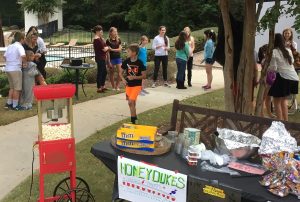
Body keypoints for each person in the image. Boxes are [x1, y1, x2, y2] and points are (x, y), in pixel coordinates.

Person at [268, 33, 299, 121]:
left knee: (276, 101)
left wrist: (267, 69)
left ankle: (280, 123)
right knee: (284, 100)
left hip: (283, 77)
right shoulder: (288, 50)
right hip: (293, 78)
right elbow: (292, 61)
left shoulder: (274, 51)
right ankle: (286, 122)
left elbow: (273, 68)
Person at [119, 44, 146, 124]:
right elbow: (120, 72)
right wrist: (123, 80)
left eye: (128, 51)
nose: (127, 52)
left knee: (130, 102)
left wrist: (134, 77)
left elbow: (144, 76)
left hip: (137, 86)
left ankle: (133, 121)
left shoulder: (140, 63)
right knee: (132, 103)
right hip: (128, 86)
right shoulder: (126, 61)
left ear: (134, 53)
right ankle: (135, 118)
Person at [3, 31, 26, 110]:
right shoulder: (19, 46)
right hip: (15, 69)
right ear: (21, 39)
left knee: (12, 88)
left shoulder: (10, 46)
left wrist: (10, 62)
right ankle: (15, 106)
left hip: (8, 68)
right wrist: (24, 63)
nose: (24, 41)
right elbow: (23, 55)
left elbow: (4, 56)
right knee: (17, 88)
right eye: (24, 39)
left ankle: (9, 103)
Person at [258, 44, 274, 118]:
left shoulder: (271, 58)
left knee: (268, 98)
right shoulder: (265, 59)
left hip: (271, 79)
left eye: (265, 51)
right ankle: (261, 113)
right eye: (263, 52)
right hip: (266, 79)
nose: (264, 53)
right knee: (263, 98)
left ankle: (269, 113)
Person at [93, 25, 109, 93]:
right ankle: (99, 88)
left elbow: (105, 46)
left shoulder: (100, 39)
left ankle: (102, 86)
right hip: (100, 58)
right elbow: (104, 49)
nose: (102, 32)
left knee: (104, 72)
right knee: (100, 72)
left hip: (102, 57)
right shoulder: (97, 40)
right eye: (100, 31)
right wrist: (108, 48)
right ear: (97, 31)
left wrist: (106, 47)